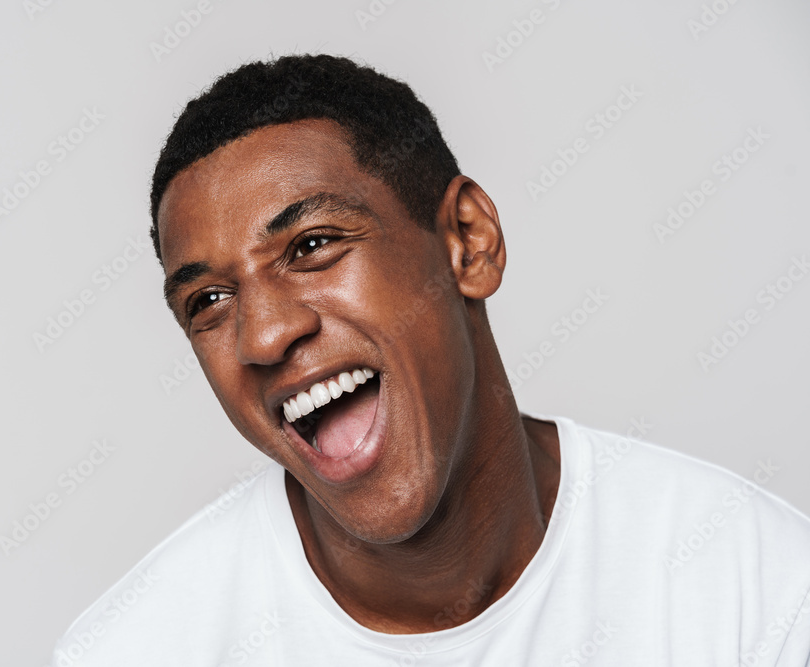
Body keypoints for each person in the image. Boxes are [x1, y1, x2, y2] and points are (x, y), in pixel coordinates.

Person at [52, 54, 810, 666]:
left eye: (312, 246)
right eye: (209, 301)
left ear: (467, 242)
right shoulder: (135, 648)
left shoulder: (755, 590)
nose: (263, 336)